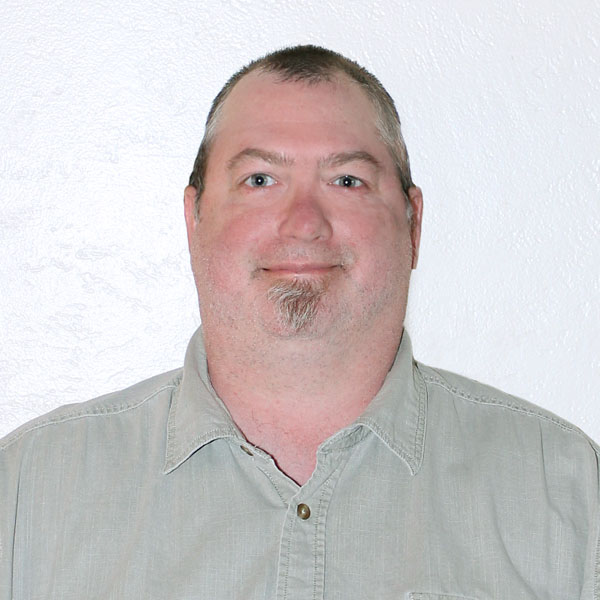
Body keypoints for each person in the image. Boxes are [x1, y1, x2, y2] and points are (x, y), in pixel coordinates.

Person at [1, 45, 598, 599]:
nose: (304, 222)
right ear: (194, 219)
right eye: (260, 180)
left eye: (347, 180)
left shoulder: (570, 493)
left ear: (412, 224)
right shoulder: (26, 492)